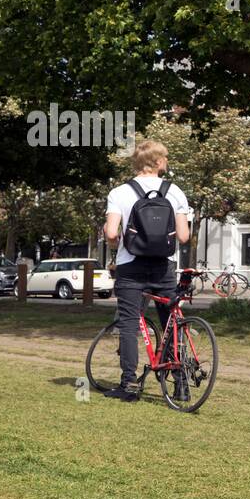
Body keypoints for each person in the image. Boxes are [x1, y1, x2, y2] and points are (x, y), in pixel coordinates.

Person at [103, 139, 192, 402]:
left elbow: (110, 232)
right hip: (163, 266)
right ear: (159, 161)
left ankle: (129, 385)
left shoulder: (119, 192)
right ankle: (181, 384)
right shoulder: (175, 192)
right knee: (171, 323)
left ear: (137, 162)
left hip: (130, 266)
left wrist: (113, 243)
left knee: (129, 323)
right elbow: (184, 237)